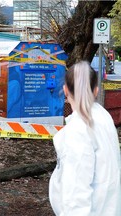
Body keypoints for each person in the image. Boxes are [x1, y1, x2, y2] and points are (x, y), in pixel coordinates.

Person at [49, 60, 121, 215]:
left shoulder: (77, 130)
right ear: (96, 91)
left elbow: (76, 196)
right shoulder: (104, 117)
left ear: (65, 90)